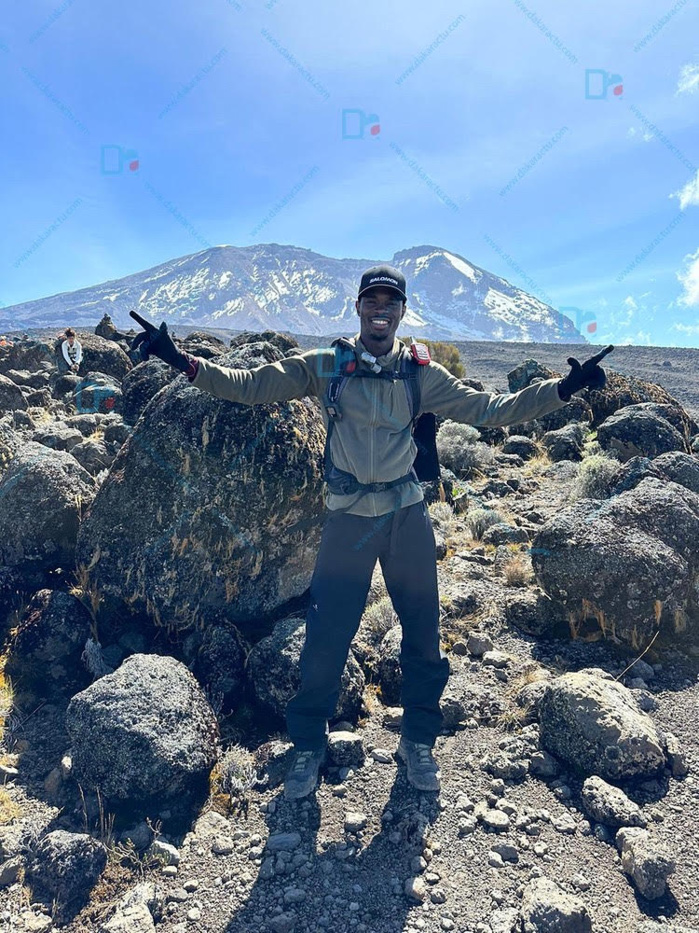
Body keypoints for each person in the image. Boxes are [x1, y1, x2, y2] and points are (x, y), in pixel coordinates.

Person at [130, 266, 613, 799]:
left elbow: (491, 411)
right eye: (371, 301)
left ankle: (419, 743)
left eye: (391, 302)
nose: (380, 309)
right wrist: (179, 359)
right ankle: (308, 747)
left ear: (402, 312)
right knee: (325, 640)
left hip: (406, 516)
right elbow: (251, 386)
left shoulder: (420, 374)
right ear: (358, 308)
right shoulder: (326, 365)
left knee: (424, 636)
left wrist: (563, 388)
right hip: (348, 521)